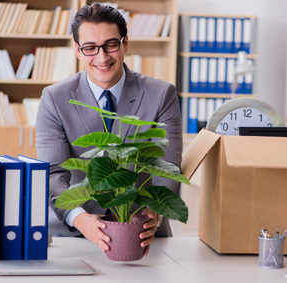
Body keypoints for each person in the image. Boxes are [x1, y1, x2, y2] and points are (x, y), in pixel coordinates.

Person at [36, 3, 182, 255]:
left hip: (142, 233)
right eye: (90, 48)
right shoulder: (54, 98)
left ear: (125, 44)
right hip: (75, 234)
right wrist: (80, 219)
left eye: (111, 45)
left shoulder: (161, 94)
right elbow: (53, 173)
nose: (102, 58)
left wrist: (154, 211)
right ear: (78, 51)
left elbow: (168, 167)